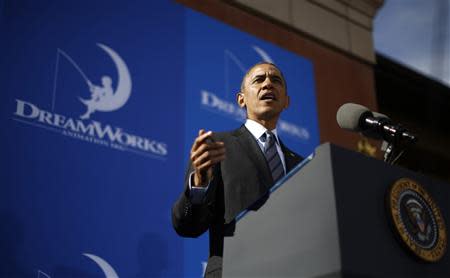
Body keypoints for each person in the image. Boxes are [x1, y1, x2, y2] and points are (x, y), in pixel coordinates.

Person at [172, 62, 303, 277]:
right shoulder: (216, 146)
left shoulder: (300, 164)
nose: (268, 83)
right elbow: (188, 227)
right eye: (259, 80)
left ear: (286, 101)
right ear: (241, 99)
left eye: (275, 80)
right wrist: (200, 184)